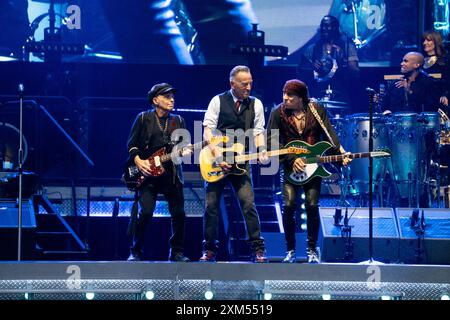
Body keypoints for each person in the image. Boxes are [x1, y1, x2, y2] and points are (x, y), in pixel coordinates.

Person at [267, 79, 351, 263]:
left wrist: (341, 153)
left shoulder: (316, 109)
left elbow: (329, 133)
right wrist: (291, 158)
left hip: (313, 166)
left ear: (301, 98)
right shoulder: (277, 113)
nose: (285, 98)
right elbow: (271, 142)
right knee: (288, 207)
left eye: (290, 95)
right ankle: (290, 251)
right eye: (284, 93)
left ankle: (312, 250)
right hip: (290, 167)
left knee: (312, 206)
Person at [200, 65, 268, 263]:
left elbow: (258, 132)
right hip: (216, 160)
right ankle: (210, 249)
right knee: (211, 206)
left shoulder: (256, 104)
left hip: (241, 162)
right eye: (244, 84)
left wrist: (262, 150)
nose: (248, 87)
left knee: (248, 204)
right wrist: (218, 156)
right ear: (233, 84)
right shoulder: (217, 101)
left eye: (250, 83)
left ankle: (258, 249)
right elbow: (207, 131)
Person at [126, 83, 190, 262]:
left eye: (172, 96)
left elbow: (183, 147)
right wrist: (138, 161)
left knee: (179, 213)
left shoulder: (178, 120)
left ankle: (176, 251)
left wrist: (183, 151)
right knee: (145, 212)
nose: (171, 99)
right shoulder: (143, 118)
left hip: (171, 175)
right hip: (147, 176)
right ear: (155, 100)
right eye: (166, 96)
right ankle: (136, 250)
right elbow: (131, 145)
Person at [300, 15, 360, 108]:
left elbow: (356, 73)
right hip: (317, 97)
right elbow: (300, 72)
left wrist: (342, 60)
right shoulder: (312, 49)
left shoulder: (347, 47)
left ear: (336, 28)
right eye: (322, 26)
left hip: (340, 98)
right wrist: (312, 68)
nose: (324, 28)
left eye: (328, 26)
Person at [422, 30, 449, 109]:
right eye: (424, 40)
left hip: (440, 99)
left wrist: (446, 95)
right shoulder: (420, 60)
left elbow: (448, 80)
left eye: (428, 40)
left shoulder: (445, 60)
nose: (424, 43)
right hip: (424, 99)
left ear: (436, 41)